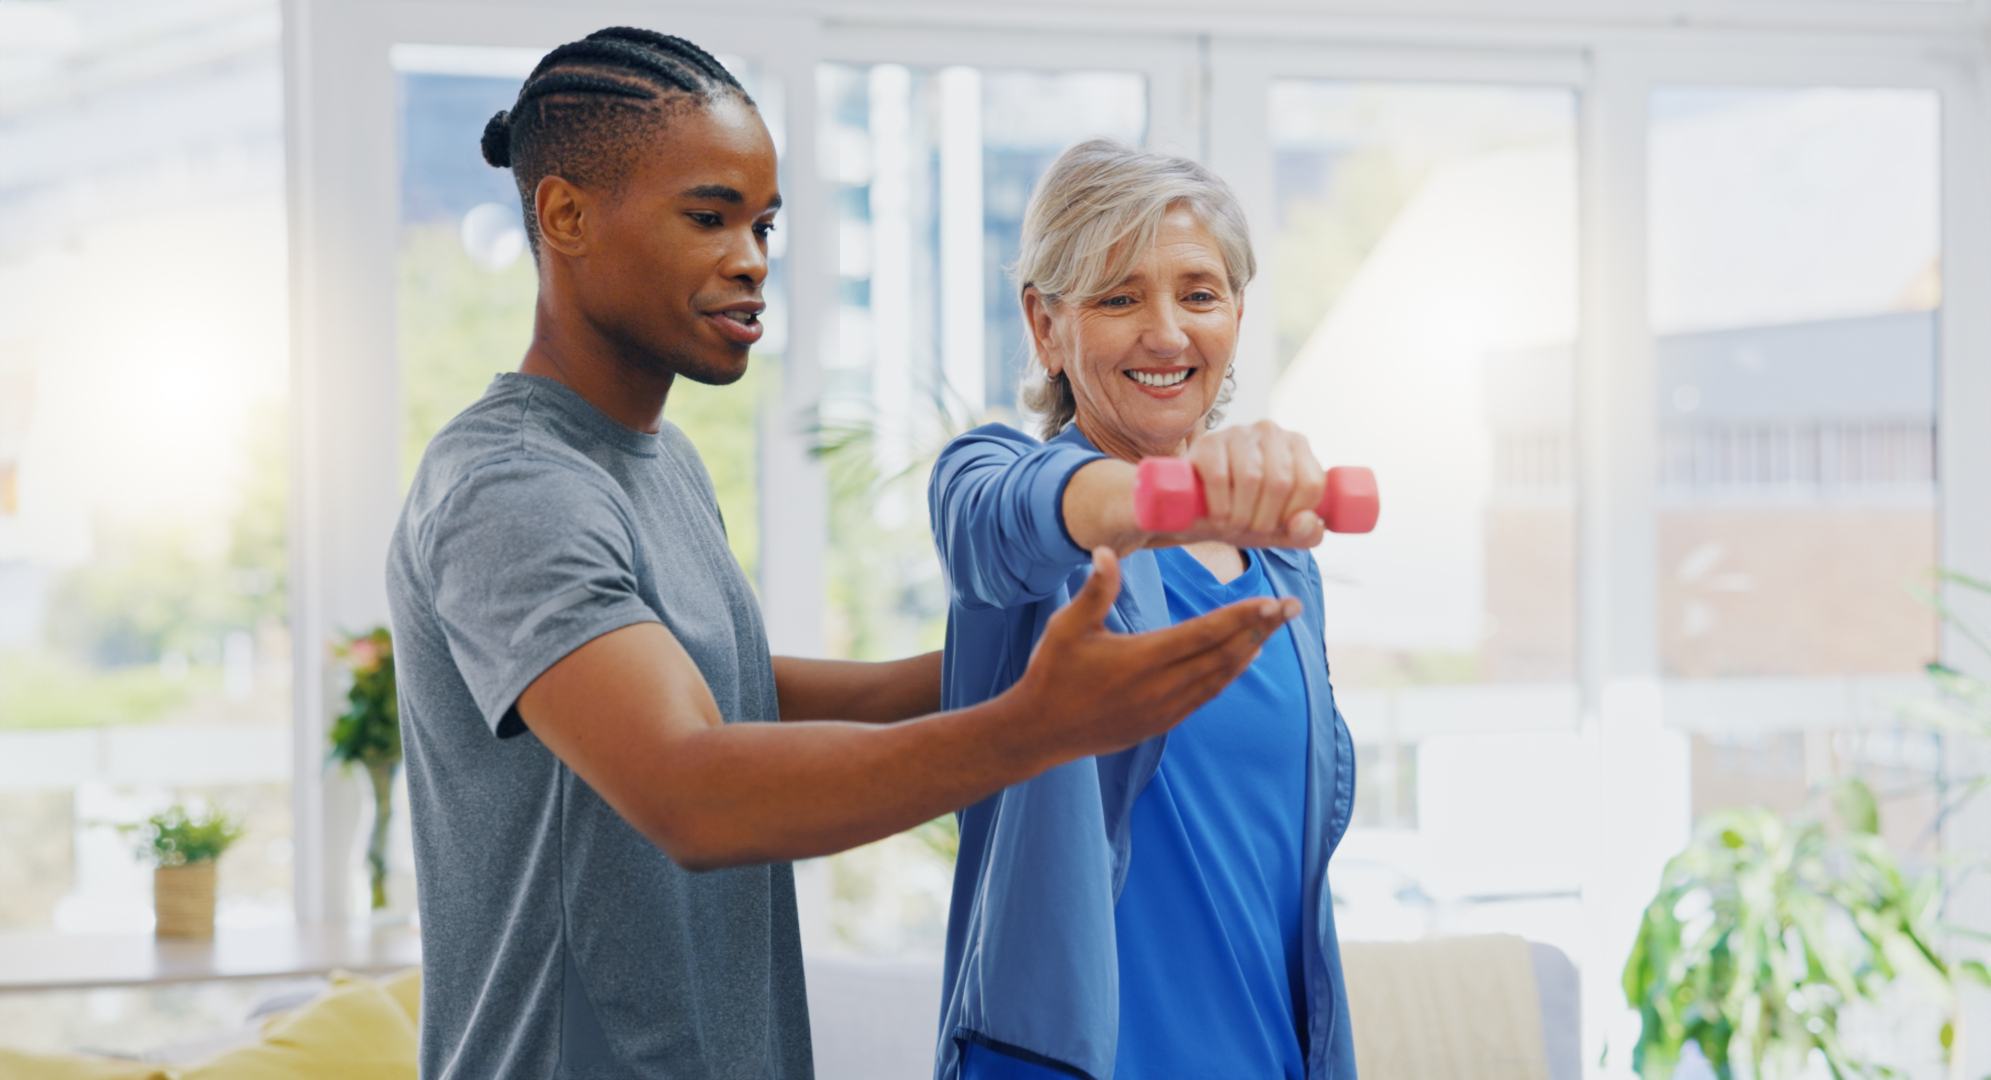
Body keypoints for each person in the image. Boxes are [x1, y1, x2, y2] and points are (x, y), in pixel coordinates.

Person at [384, 29, 1298, 1080]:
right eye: (708, 217)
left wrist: (1006, 665)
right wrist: (1031, 725)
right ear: (565, 214)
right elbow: (689, 787)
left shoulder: (658, 464)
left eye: (763, 224)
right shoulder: (510, 486)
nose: (751, 259)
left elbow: (720, 689)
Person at [928, 138, 1360, 1080]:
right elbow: (1010, 515)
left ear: (1237, 313)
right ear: (1045, 326)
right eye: (1118, 297)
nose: (1165, 333)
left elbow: (1283, 886)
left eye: (1198, 294)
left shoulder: (1281, 559)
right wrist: (1164, 497)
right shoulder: (1005, 501)